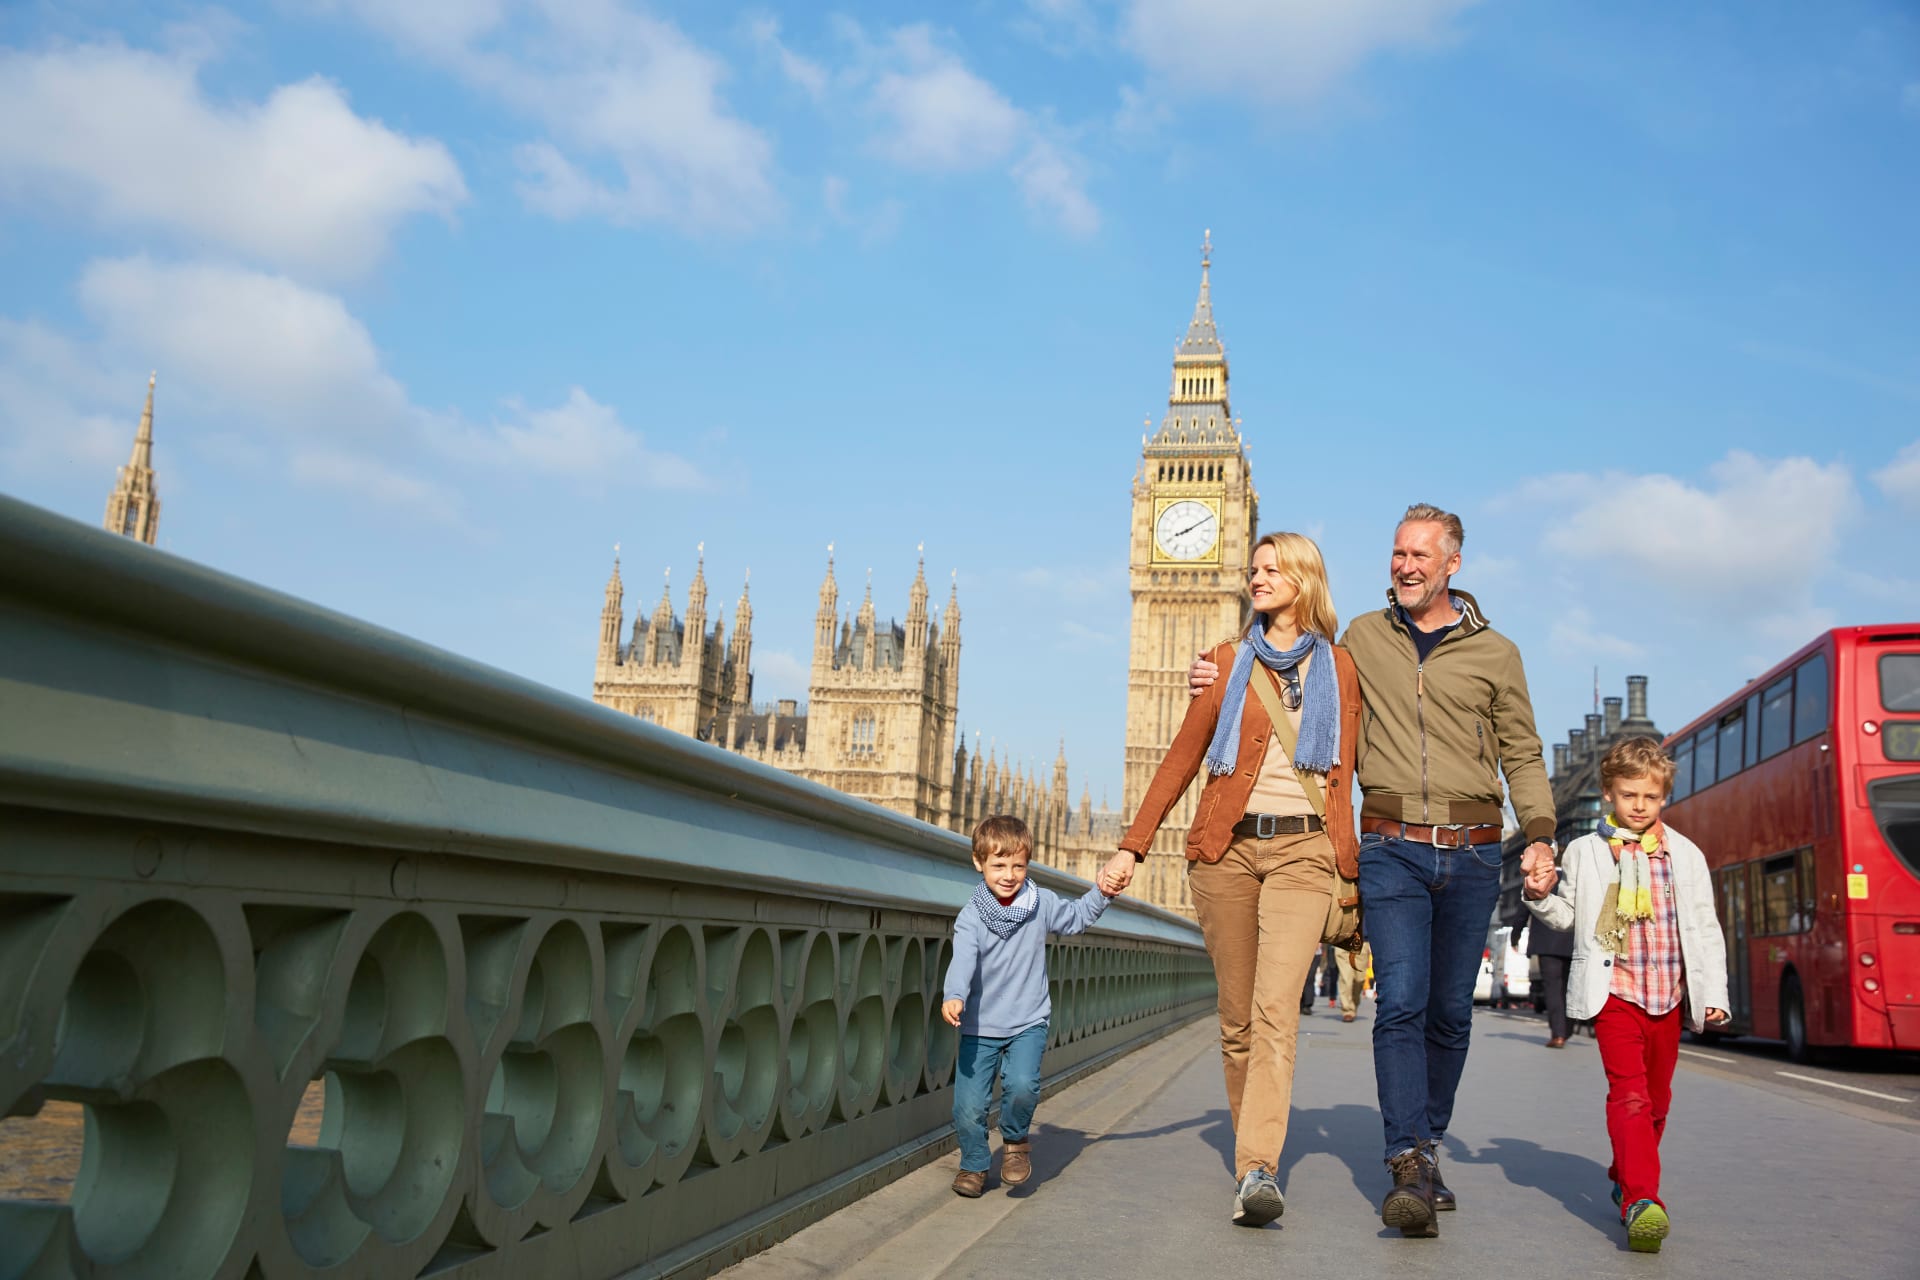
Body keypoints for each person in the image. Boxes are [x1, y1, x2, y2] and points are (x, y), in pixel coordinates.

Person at [1188, 503, 1556, 1238]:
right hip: (1390, 843)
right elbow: (1285, 657)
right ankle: (1405, 1161)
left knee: (1451, 1015)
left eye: (1421, 555)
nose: (1406, 566)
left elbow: (1521, 750)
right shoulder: (1360, 639)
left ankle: (1428, 1140)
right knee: (1402, 1003)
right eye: (1398, 554)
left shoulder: (1498, 654)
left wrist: (1540, 834)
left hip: (1478, 846)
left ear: (1453, 563)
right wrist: (1218, 667)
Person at [1098, 532, 1363, 1228]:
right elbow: (1181, 758)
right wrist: (1133, 846)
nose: (1258, 578)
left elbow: (1357, 774)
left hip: (1305, 855)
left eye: (1273, 569)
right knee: (1238, 1019)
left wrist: (1363, 863)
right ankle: (1256, 1153)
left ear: (1305, 580)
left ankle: (1257, 1168)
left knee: (1278, 1010)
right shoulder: (1223, 664)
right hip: (1226, 852)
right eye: (1254, 569)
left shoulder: (1341, 668)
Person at [1523, 736, 1729, 1254]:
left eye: (1650, 797)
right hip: (1614, 991)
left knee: (1658, 1102)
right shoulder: (1586, 851)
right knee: (1631, 1095)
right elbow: (1567, 918)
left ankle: (1623, 1171)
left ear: (1664, 798)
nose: (1639, 806)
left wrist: (1715, 992)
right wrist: (1538, 895)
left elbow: (1705, 927)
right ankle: (1642, 1200)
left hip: (1668, 995)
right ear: (1609, 794)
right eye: (1628, 794)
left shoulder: (1686, 855)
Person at [942, 814, 1114, 1197]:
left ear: (1028, 865)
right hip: (980, 1024)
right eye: (999, 865)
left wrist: (1101, 892)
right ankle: (973, 1163)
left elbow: (1076, 918)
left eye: (1018, 865)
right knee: (968, 1106)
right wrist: (953, 995)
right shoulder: (972, 916)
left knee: (1022, 1086)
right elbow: (962, 960)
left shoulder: (1041, 903)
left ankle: (1016, 1143)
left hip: (1028, 1021)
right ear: (978, 863)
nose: (1008, 874)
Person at [1526, 898, 1575, 1046]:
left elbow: (1527, 904)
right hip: (1572, 942)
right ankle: (1567, 1031)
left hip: (1547, 945)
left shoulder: (1540, 874)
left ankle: (1558, 1034)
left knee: (1553, 990)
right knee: (1569, 989)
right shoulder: (1578, 875)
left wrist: (1516, 934)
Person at [1335, 940, 1372, 1021]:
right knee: (1346, 978)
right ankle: (1347, 1010)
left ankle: (1353, 1004)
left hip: (1362, 941)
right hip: (1342, 940)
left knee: (1359, 979)